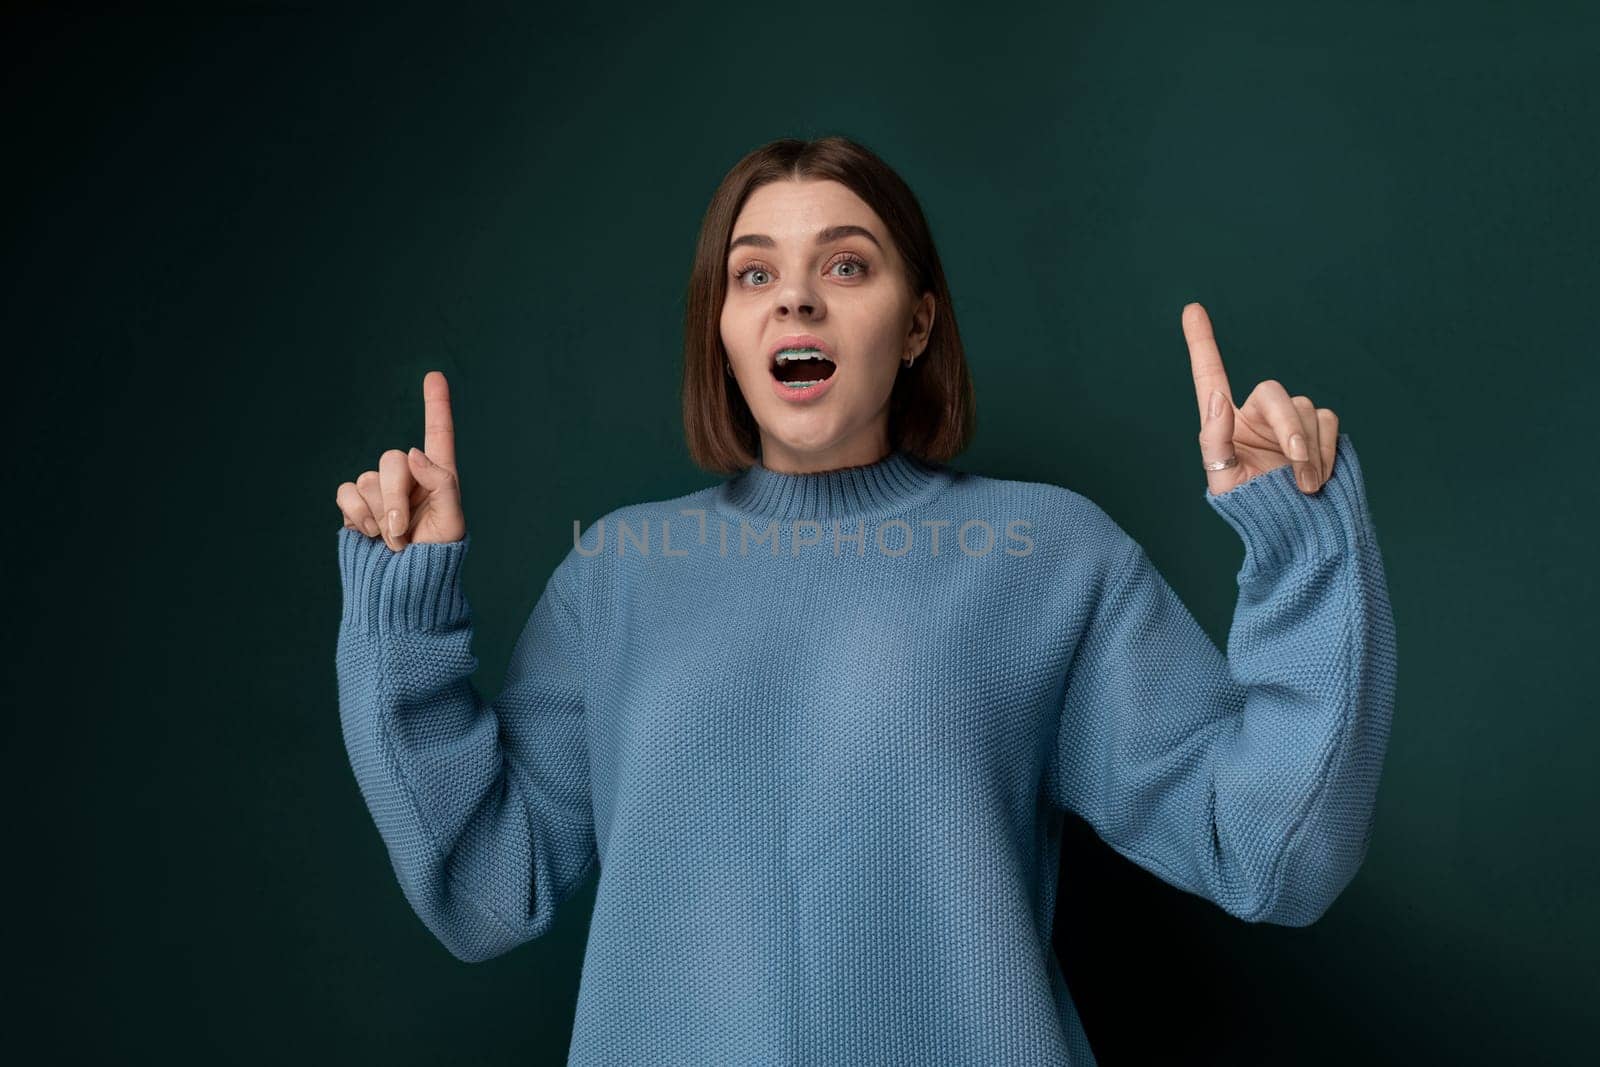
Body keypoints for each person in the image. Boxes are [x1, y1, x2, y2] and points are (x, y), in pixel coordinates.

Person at [332, 136, 1397, 1067]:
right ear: (723, 332)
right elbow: (486, 886)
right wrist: (405, 611)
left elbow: (1272, 854)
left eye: (847, 263)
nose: (797, 298)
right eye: (753, 276)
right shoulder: (615, 573)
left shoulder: (1045, 554)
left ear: (919, 322)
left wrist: (1296, 532)